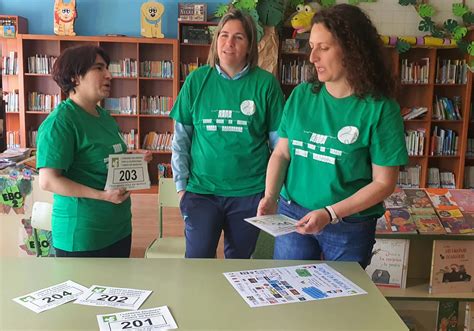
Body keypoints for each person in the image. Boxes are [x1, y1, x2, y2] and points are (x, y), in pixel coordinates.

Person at [257, 4, 408, 268]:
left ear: (352, 51)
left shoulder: (380, 109)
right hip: (293, 213)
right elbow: (282, 152)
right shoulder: (302, 95)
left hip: (348, 224)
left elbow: (384, 183)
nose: (312, 57)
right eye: (311, 46)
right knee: (290, 294)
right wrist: (270, 196)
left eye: (323, 48)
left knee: (343, 303)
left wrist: (330, 213)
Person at [170, 9, 285, 259]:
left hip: (249, 193)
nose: (229, 43)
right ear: (215, 41)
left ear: (249, 45)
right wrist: (182, 189)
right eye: (223, 35)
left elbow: (280, 147)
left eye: (238, 37)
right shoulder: (196, 80)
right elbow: (180, 140)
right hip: (201, 192)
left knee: (239, 264)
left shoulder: (266, 84)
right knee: (198, 262)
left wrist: (271, 193)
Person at [37, 45, 151, 257]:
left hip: (118, 228)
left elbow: (104, 159)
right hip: (82, 235)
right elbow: (48, 180)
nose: (109, 75)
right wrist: (102, 196)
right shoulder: (61, 122)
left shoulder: (104, 117)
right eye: (99, 68)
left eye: (107, 68)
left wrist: (132, 158)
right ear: (74, 77)